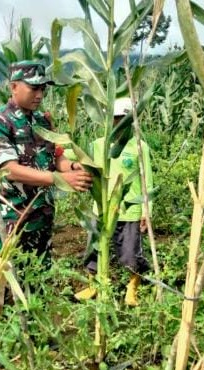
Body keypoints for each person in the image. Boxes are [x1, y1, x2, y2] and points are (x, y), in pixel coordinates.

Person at [0, 60, 92, 276]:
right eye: (34, 88)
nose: (40, 94)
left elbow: (54, 156)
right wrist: (59, 180)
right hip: (14, 217)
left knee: (38, 277)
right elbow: (9, 170)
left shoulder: (42, 120)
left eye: (43, 88)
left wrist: (72, 166)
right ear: (14, 86)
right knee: (4, 278)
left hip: (42, 215)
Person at [75, 97, 153, 306]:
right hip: (100, 209)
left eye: (123, 119)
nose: (118, 124)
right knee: (93, 250)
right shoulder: (97, 146)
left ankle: (131, 288)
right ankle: (94, 285)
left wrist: (147, 209)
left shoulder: (139, 146)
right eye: (115, 119)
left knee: (130, 252)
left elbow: (147, 180)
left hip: (129, 209)